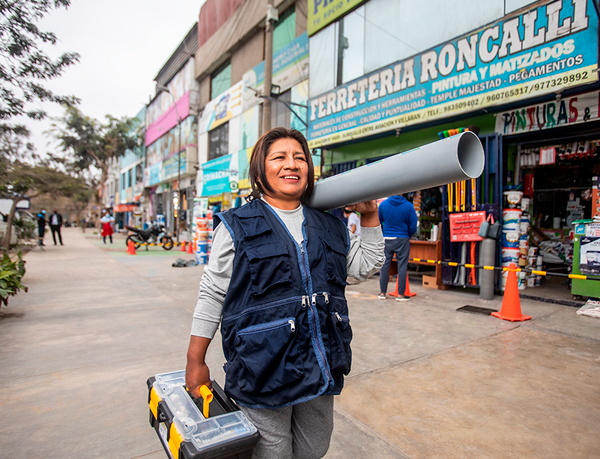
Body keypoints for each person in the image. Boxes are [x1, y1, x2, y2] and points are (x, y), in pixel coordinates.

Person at [186, 127, 384, 459]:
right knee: (272, 454)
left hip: (319, 361)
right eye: (279, 157)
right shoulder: (236, 226)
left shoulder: (330, 226)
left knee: (314, 449)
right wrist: (196, 360)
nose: (291, 164)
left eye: (300, 158)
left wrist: (370, 215)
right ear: (260, 170)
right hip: (262, 368)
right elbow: (211, 295)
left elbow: (364, 266)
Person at [377, 195, 418, 301]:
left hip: (386, 238)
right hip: (402, 238)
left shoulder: (383, 205)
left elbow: (378, 222)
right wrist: (407, 234)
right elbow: (413, 225)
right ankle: (400, 295)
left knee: (384, 266)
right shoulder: (408, 206)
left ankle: (382, 293)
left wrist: (384, 232)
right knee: (402, 266)